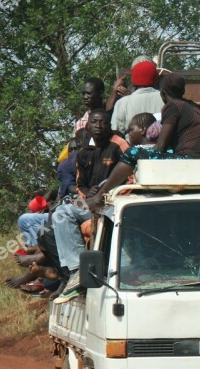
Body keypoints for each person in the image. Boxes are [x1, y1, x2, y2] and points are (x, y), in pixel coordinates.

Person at [86, 73, 200, 211]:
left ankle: (99, 197)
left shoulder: (172, 107)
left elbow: (160, 147)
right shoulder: (193, 106)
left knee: (133, 152)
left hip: (188, 159)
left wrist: (145, 148)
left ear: (163, 93)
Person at [52, 109, 129, 302]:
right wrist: (88, 195)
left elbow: (130, 177)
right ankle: (78, 269)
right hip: (89, 200)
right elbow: (80, 184)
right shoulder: (84, 152)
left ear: (109, 125)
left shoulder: (119, 145)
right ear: (88, 126)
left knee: (114, 219)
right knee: (60, 213)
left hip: (115, 201)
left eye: (102, 122)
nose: (98, 125)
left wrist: (105, 194)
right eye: (94, 122)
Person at [110, 60, 164, 135]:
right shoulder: (165, 99)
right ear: (156, 79)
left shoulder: (123, 103)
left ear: (133, 81)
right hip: (161, 146)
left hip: (129, 146)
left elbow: (116, 132)